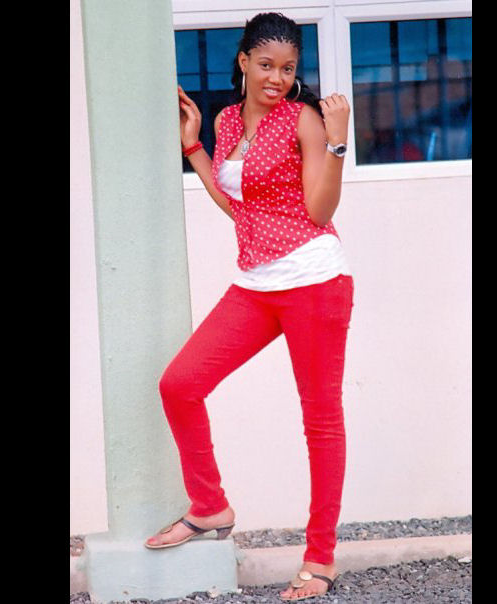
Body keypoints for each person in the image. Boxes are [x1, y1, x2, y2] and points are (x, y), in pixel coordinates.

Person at [145, 12, 354, 601]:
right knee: (179, 385)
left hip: (314, 280)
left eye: (287, 68)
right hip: (256, 283)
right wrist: (193, 145)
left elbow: (319, 211)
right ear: (243, 62)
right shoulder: (228, 120)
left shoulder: (304, 119)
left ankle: (320, 558)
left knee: (320, 421)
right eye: (266, 65)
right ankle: (210, 506)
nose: (277, 78)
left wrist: (337, 141)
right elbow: (238, 205)